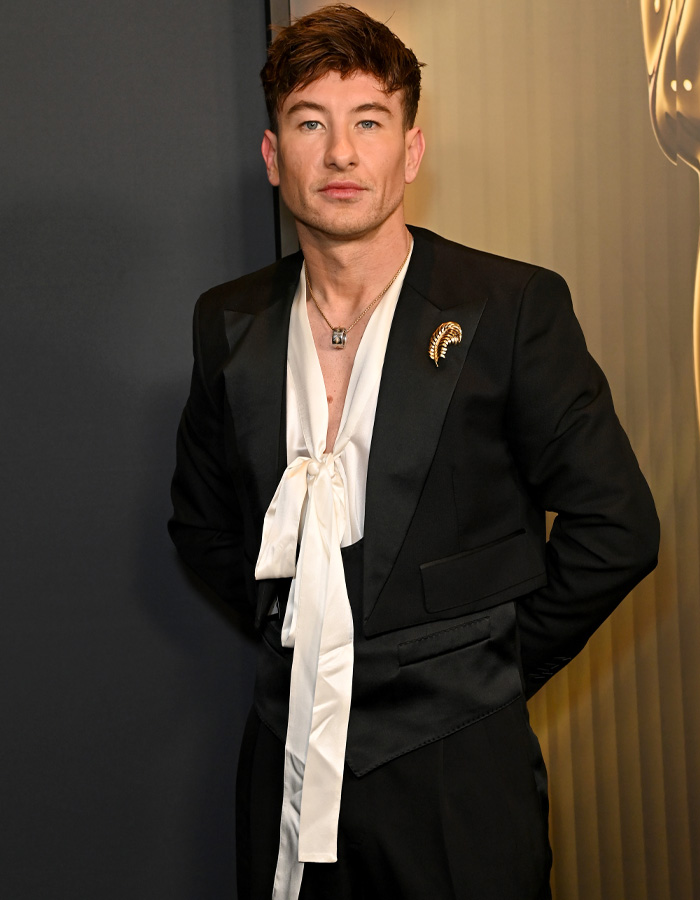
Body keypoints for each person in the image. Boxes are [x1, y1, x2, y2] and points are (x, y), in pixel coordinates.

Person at [169, 5, 659, 899]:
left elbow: (617, 527)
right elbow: (199, 524)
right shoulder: (227, 322)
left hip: (458, 773)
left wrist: (487, 672)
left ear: (412, 151)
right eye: (311, 123)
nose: (342, 154)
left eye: (370, 122)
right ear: (275, 154)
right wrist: (298, 632)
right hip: (282, 767)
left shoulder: (509, 306)